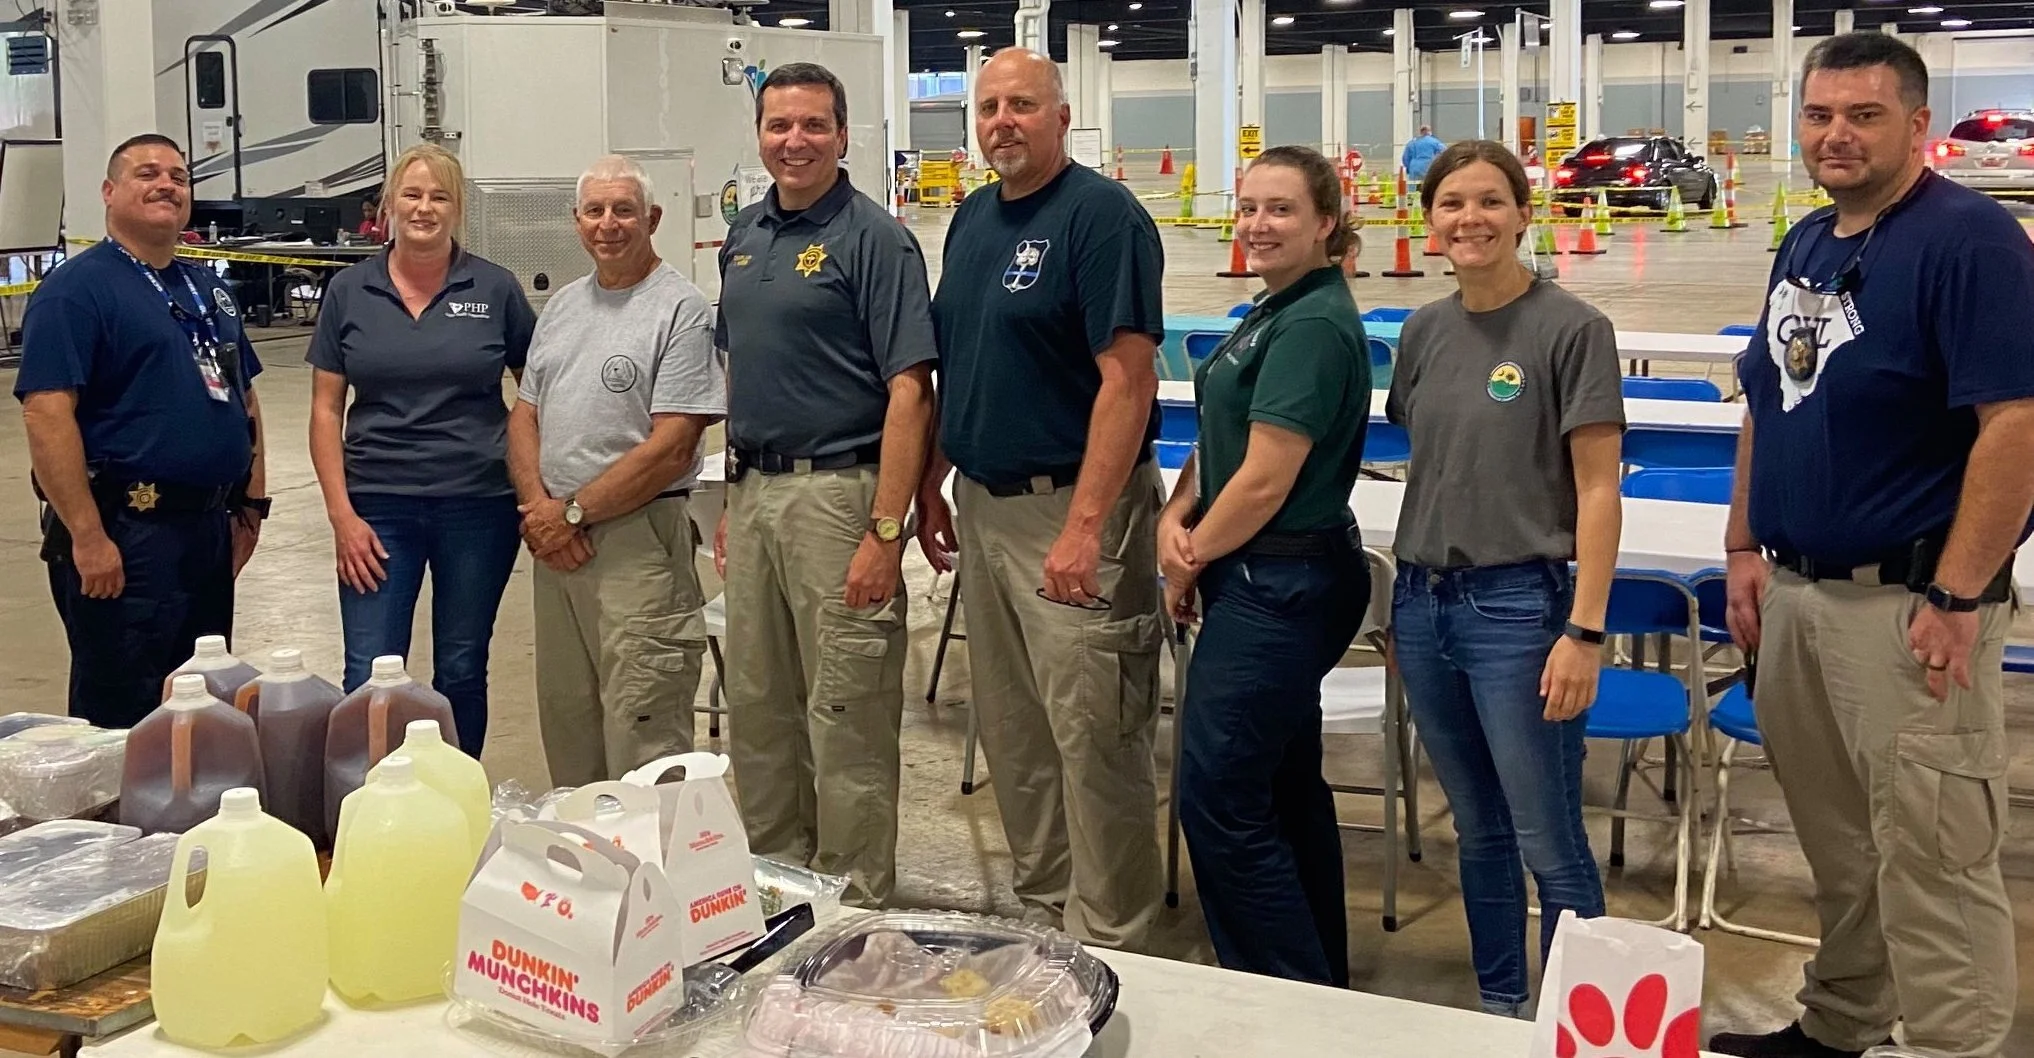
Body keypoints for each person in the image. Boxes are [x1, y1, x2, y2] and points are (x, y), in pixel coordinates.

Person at [1712, 33, 2034, 1058]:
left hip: (1909, 605)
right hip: (1800, 594)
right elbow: (1768, 400)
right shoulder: (1807, 238)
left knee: (1934, 853)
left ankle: (1954, 1044)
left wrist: (1957, 593)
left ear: (1916, 123)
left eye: (1863, 115)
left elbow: (2016, 426)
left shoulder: (1970, 240)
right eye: (1819, 115)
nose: (1836, 134)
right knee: (1843, 848)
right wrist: (1742, 547)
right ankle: (1841, 1022)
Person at [920, 47, 1166, 950]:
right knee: (1016, 731)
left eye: (1022, 104)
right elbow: (967, 362)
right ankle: (1043, 912)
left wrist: (1086, 530)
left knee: (1093, 732)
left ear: (1062, 118)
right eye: (989, 107)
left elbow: (1128, 383)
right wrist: (935, 480)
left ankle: (1113, 935)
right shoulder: (972, 221)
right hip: (984, 505)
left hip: (1072, 511)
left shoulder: (1104, 219)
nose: (1002, 122)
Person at [1386, 140, 1624, 1017]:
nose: (1470, 220)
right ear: (1429, 221)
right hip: (1423, 601)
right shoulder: (1422, 331)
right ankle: (1500, 1008)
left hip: (1520, 610)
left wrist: (1585, 631)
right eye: (1451, 204)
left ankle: (1580, 1020)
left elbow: (1599, 488)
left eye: (1490, 202)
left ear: (1525, 214)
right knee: (1477, 830)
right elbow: (1433, 454)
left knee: (1546, 835)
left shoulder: (1572, 330)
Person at [714, 62, 937, 909]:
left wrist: (887, 532)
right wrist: (737, 495)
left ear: (844, 136)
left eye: (813, 125)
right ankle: (775, 891)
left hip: (841, 495)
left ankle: (854, 907)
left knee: (845, 713)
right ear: (761, 135)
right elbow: (743, 370)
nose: (794, 141)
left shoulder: (873, 240)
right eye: (779, 126)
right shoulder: (745, 237)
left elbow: (911, 390)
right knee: (761, 712)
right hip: (759, 493)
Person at [1159, 146, 1372, 985]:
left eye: (1280, 209)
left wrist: (1188, 558)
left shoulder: (1315, 324)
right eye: (1248, 207)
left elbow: (1266, 477)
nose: (1258, 224)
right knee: (1283, 786)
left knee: (1218, 801)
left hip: (1279, 585)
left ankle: (1279, 996)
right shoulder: (1271, 311)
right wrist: (1178, 509)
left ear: (1326, 223)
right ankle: (1322, 984)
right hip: (1255, 574)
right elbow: (1223, 448)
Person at [15, 134, 268, 729]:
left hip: (205, 532)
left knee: (199, 709)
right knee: (124, 712)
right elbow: (45, 414)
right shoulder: (76, 292)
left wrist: (250, 506)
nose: (167, 185)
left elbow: (245, 397)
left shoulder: (208, 290)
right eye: (147, 173)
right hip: (126, 534)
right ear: (109, 193)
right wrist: (86, 535)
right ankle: (116, 825)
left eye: (179, 177)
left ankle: (189, 819)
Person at [307, 143, 535, 758]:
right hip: (376, 512)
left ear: (458, 209)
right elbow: (327, 409)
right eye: (412, 194)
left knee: (461, 666)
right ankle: (369, 804)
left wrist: (531, 484)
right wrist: (341, 517)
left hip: (479, 509)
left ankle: (455, 798)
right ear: (387, 205)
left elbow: (536, 394)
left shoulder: (493, 289)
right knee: (370, 671)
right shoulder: (350, 292)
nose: (424, 207)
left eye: (439, 196)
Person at [508, 155, 724, 787]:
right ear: (577, 223)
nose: (609, 224)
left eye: (624, 210)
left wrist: (572, 512)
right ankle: (587, 875)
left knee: (643, 725)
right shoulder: (563, 308)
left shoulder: (680, 308)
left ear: (652, 218)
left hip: (638, 544)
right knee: (569, 718)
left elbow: (673, 446)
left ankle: (652, 878)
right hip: (555, 546)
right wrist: (540, 511)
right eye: (595, 211)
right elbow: (524, 418)